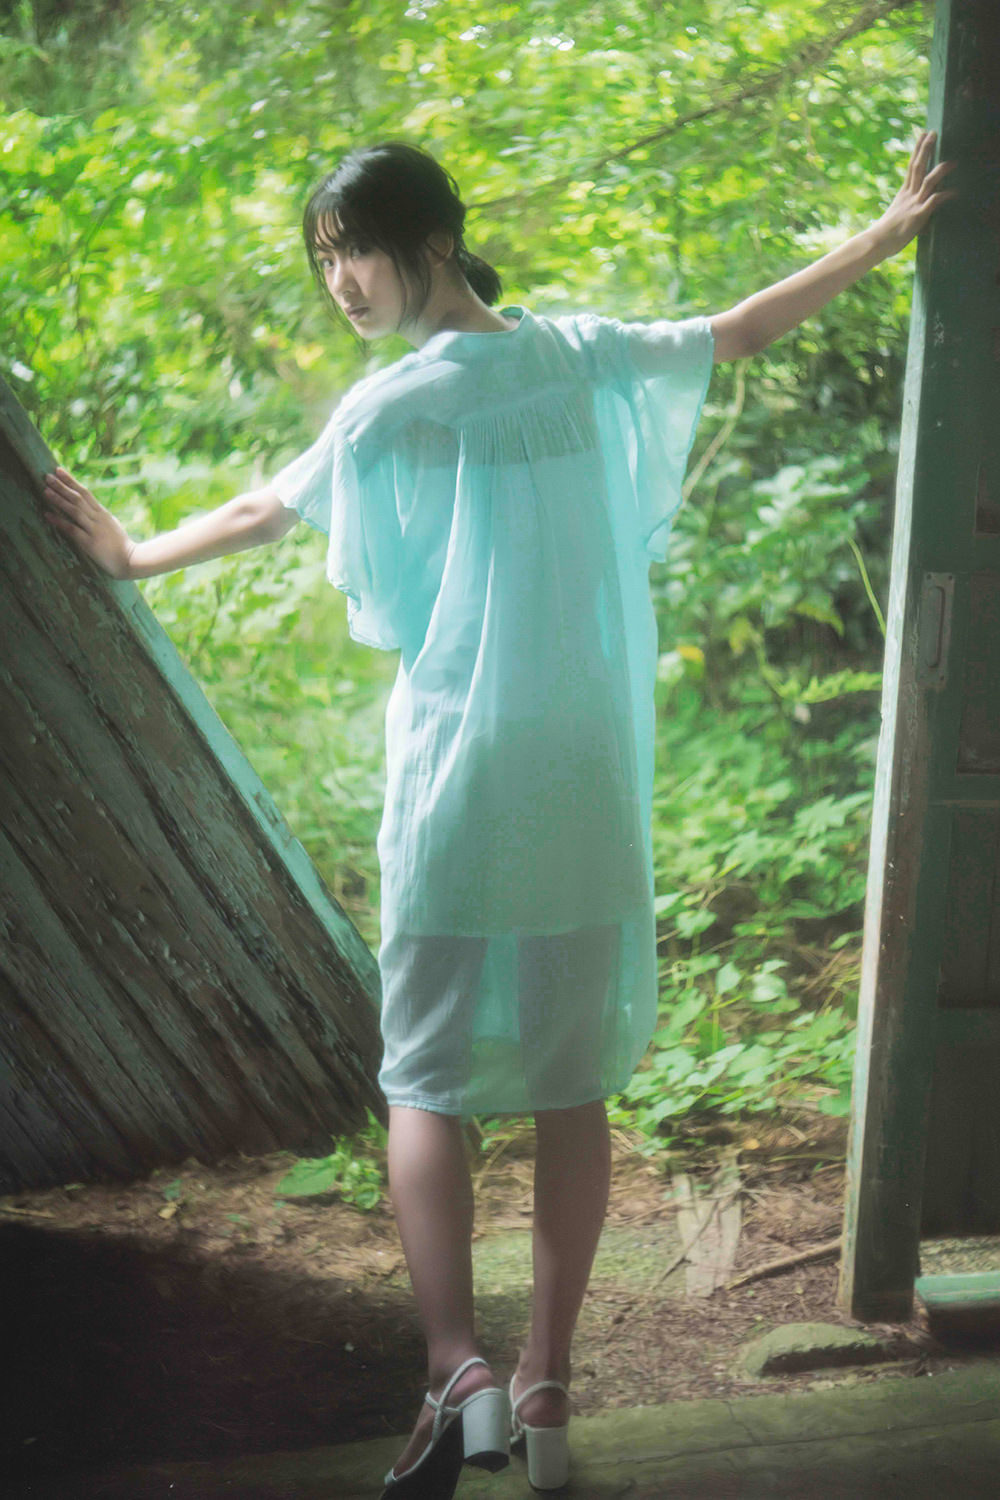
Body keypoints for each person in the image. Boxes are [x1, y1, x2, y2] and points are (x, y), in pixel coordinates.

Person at [41, 132, 955, 1497]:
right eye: (325, 259)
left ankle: (455, 1367)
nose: (340, 282)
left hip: (460, 770)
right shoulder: (578, 354)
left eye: (355, 251)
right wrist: (884, 235)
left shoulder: (398, 402)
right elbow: (737, 330)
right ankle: (547, 1385)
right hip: (584, 770)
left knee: (424, 1077)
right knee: (567, 1080)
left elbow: (266, 506)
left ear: (429, 243)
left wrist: (132, 557)